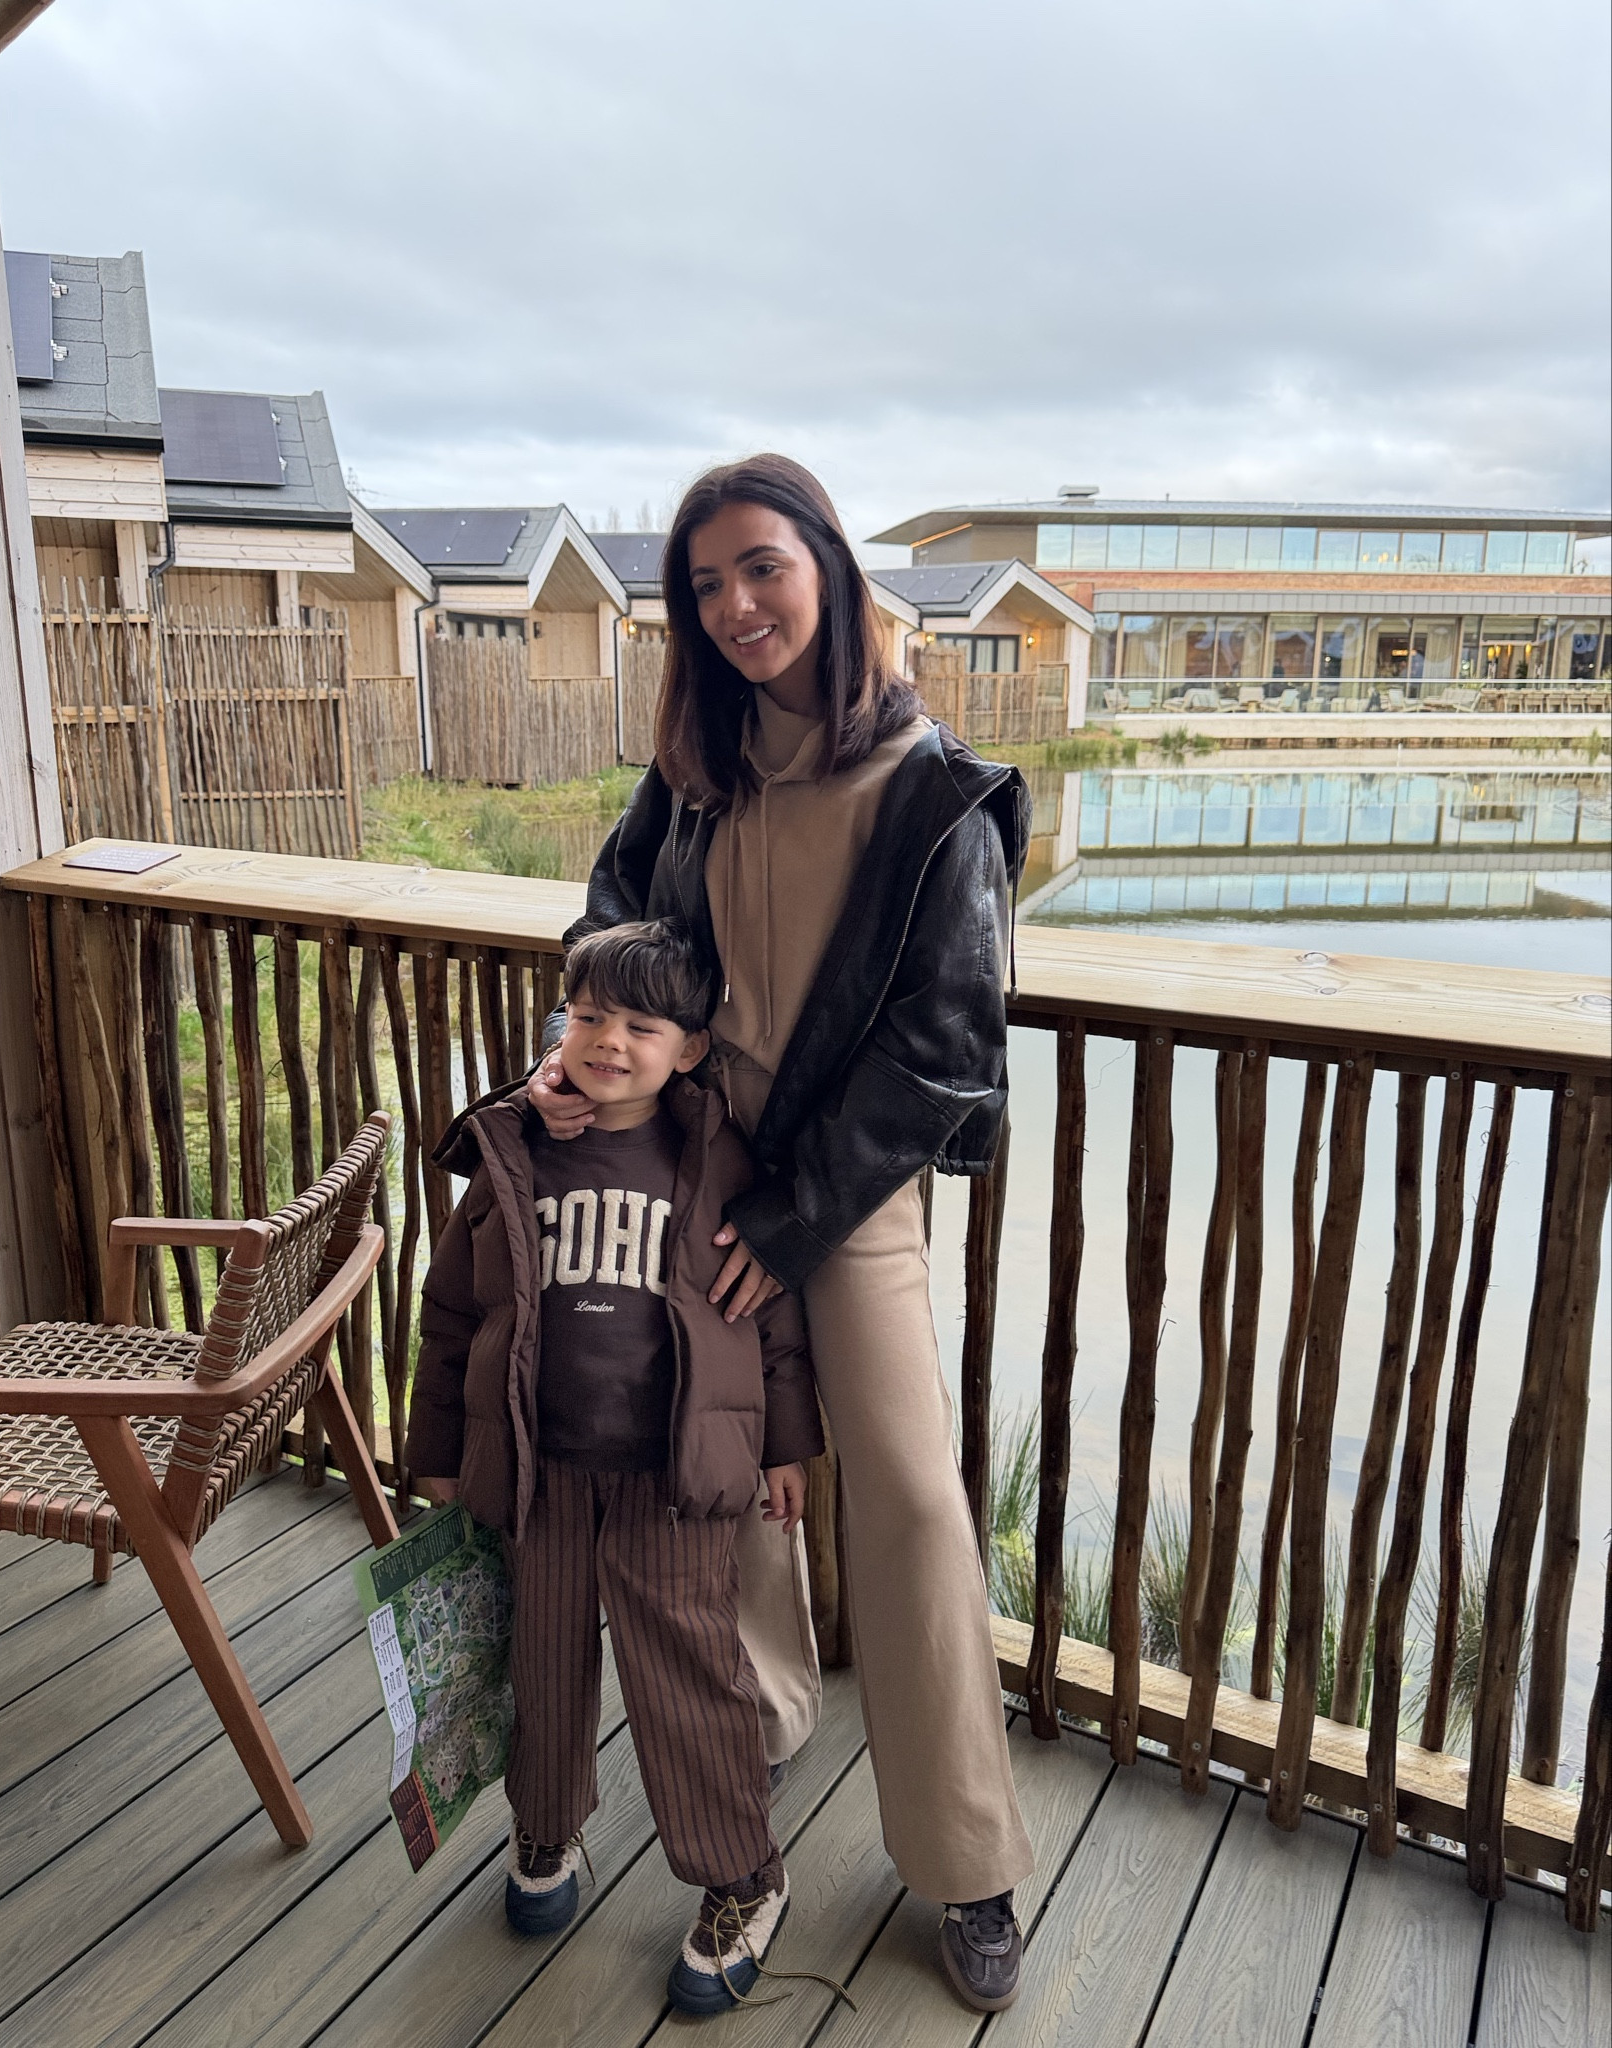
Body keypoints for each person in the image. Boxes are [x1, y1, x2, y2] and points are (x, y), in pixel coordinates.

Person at [527, 453, 1036, 2013]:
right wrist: (585, 1058)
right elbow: (609, 925)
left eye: (761, 566)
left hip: (841, 1190)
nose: (736, 605)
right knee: (721, 1459)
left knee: (907, 1496)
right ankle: (752, 1736)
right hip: (690, 1168)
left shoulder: (931, 789)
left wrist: (798, 1208)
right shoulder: (691, 769)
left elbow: (946, 1043)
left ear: (825, 565)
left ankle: (965, 1856)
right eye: (705, 585)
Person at [407, 919, 826, 2015]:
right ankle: (545, 1825)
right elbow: (450, 1313)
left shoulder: (721, 1162)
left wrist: (787, 1444)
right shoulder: (515, 1151)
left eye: (642, 1025)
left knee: (689, 1677)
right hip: (537, 1470)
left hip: (669, 1476)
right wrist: (438, 1453)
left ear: (691, 1048)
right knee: (541, 1660)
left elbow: (772, 1321)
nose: (610, 1041)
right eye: (589, 1015)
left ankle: (745, 1875)